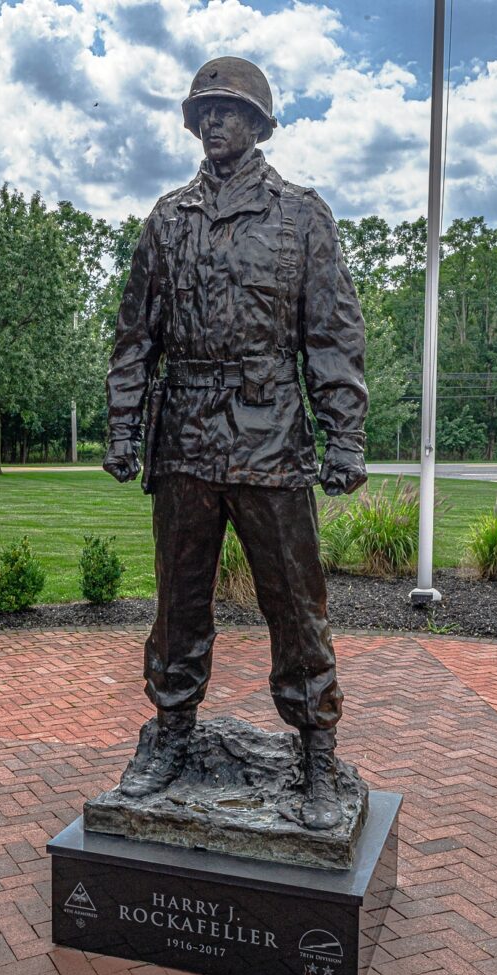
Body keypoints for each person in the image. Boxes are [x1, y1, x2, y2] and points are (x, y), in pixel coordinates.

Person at [103, 56, 368, 830]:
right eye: (204, 111)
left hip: (271, 438)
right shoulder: (167, 218)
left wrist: (342, 437)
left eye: (229, 110)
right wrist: (124, 426)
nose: (214, 122)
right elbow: (133, 340)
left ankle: (317, 751)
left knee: (295, 602)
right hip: (183, 435)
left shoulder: (300, 217)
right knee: (178, 602)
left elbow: (331, 337)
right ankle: (172, 736)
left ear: (257, 123)